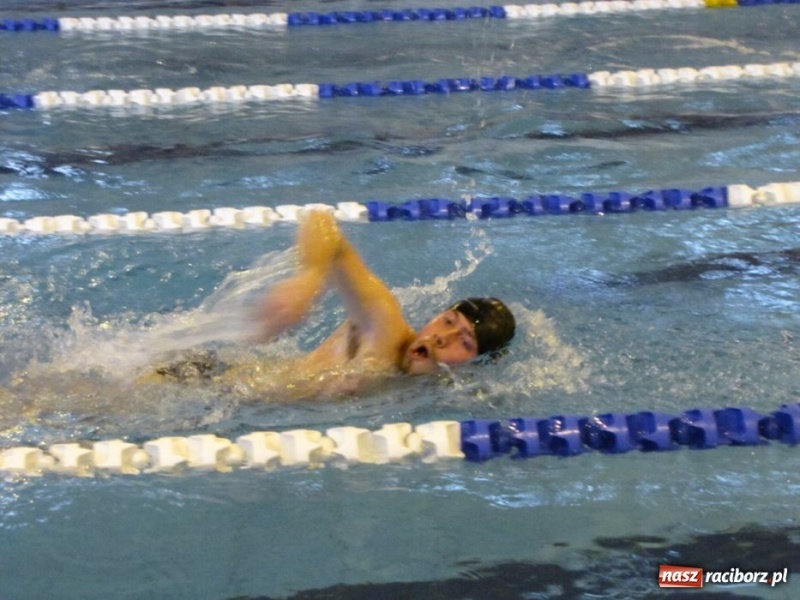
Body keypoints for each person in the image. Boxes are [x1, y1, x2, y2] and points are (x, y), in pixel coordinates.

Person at [148, 209, 516, 400]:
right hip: (198, 385)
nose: (441, 338)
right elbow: (324, 224)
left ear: (477, 365)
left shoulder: (434, 394)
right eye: (448, 321)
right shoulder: (384, 328)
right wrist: (309, 278)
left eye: (464, 343)